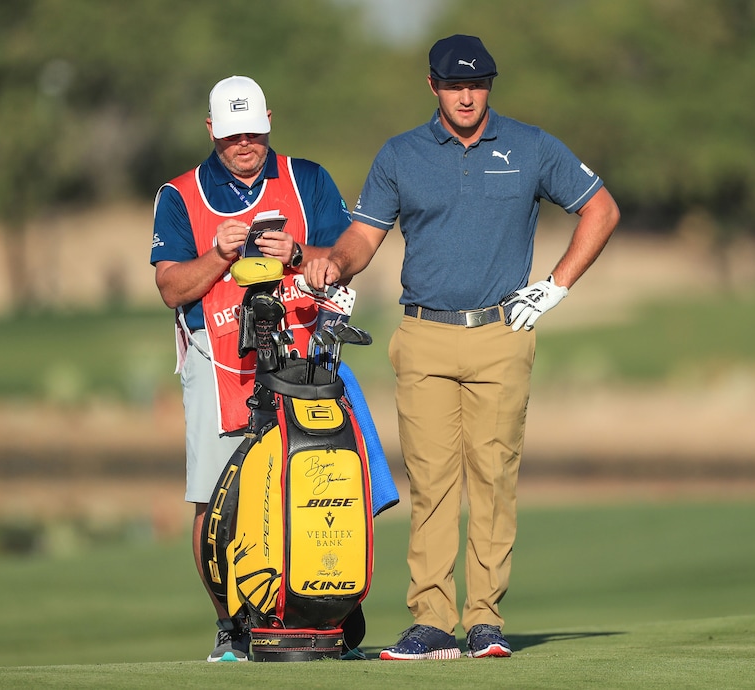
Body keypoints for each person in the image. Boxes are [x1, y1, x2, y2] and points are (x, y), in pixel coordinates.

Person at [302, 35, 620, 660]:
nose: (467, 95)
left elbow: (601, 210)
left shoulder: (530, 146)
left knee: (494, 478)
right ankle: (431, 619)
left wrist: (554, 289)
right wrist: (333, 264)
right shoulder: (401, 155)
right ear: (433, 86)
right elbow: (362, 240)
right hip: (423, 335)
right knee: (432, 480)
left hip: (503, 334)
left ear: (490, 86)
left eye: (477, 84)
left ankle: (485, 620)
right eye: (454, 84)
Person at [150, 75, 354, 662]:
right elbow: (170, 288)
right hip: (218, 366)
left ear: (269, 120)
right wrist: (219, 254)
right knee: (215, 500)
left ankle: (318, 620)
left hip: (304, 361)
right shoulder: (180, 194)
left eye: (254, 132)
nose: (245, 144)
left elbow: (346, 258)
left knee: (312, 486)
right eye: (233, 133)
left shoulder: (306, 178)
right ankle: (231, 628)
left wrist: (296, 254)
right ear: (211, 129)